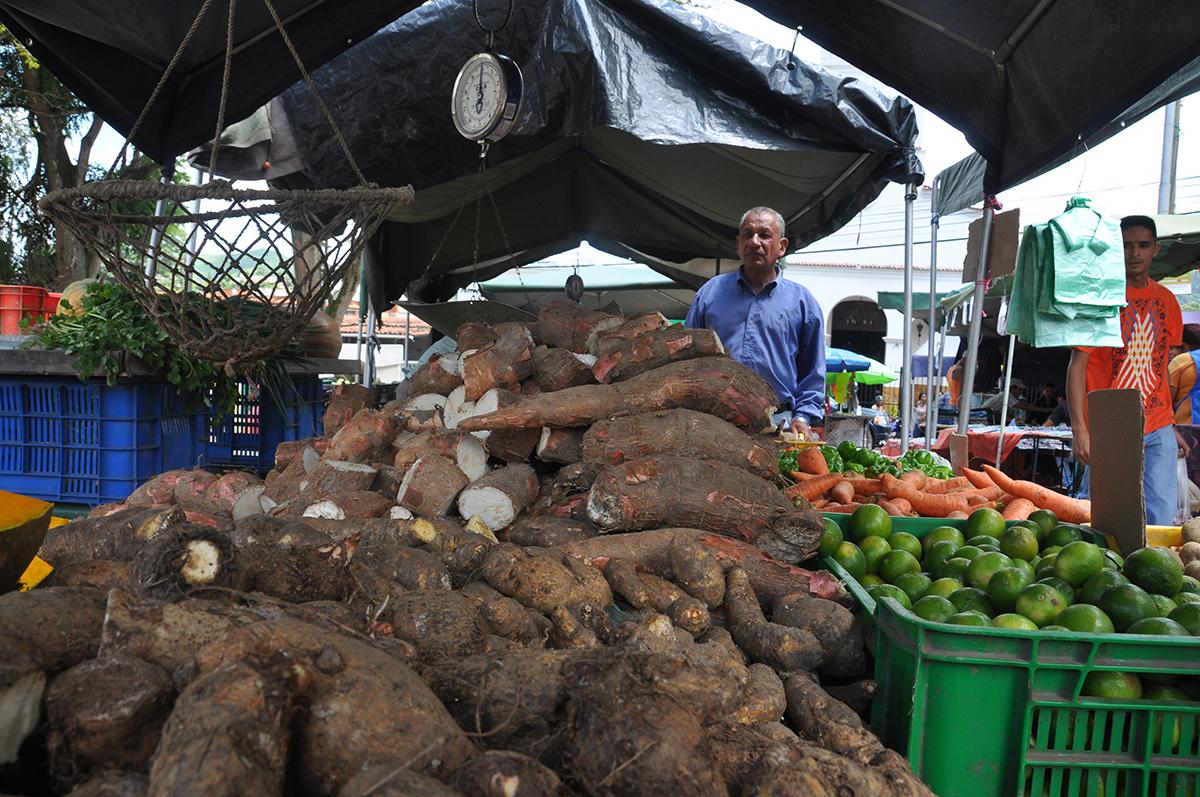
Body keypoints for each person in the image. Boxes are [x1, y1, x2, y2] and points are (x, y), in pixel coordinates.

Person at [1068, 215, 1183, 526]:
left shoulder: (1168, 301)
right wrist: (1080, 429)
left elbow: (1162, 366)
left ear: (1155, 250)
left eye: (1143, 246)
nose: (1135, 253)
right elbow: (1076, 369)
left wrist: (1170, 422)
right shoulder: (1098, 301)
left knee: (1160, 519)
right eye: (1127, 246)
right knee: (1105, 518)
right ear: (1117, 250)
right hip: (1109, 426)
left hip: (1158, 426)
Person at [685, 206, 825, 438]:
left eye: (765, 235)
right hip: (716, 421)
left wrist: (802, 416)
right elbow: (688, 358)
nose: (755, 242)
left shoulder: (802, 302)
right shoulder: (710, 293)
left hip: (779, 423)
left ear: (782, 246)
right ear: (739, 244)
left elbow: (813, 371)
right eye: (748, 235)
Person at [981, 378, 1046, 424]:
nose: (1021, 392)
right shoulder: (1006, 395)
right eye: (1019, 390)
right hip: (983, 419)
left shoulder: (1008, 397)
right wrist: (1044, 410)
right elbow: (1022, 406)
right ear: (1012, 389)